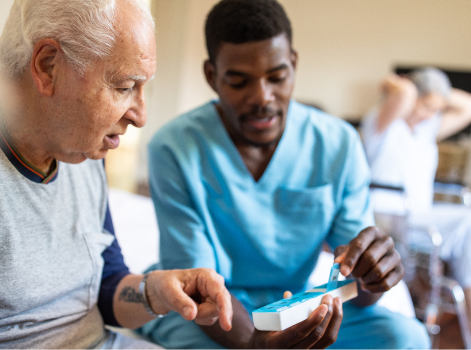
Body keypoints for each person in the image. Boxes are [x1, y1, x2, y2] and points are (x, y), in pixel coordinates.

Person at [139, 0, 431, 349]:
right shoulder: (174, 148)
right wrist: (257, 345)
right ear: (211, 76)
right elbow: (195, 289)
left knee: (404, 338)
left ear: (293, 64)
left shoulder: (338, 144)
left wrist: (373, 277)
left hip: (291, 305)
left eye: (276, 77)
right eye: (239, 81)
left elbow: (353, 284)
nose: (262, 97)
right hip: (207, 314)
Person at [0, 0, 234, 349]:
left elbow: (105, 285)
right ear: (48, 66)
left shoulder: (83, 151)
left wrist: (157, 292)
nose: (141, 116)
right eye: (125, 86)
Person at [361, 67, 471, 331]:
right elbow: (406, 92)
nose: (429, 115)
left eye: (436, 109)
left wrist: (438, 95)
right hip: (389, 218)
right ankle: (466, 297)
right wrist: (395, 82)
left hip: (420, 216)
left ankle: (462, 294)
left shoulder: (426, 131)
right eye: (425, 106)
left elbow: (467, 106)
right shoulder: (383, 124)